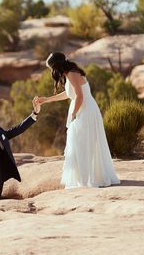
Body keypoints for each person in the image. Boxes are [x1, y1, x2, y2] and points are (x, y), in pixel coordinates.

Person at [35, 52, 120, 188]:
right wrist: (46, 100)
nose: (52, 72)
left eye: (52, 69)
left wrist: (74, 113)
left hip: (85, 111)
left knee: (83, 144)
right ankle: (83, 178)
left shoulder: (73, 74)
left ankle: (88, 179)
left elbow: (79, 96)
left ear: (56, 66)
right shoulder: (70, 73)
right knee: (79, 144)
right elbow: (69, 94)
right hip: (82, 109)